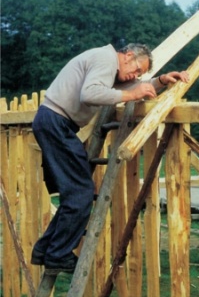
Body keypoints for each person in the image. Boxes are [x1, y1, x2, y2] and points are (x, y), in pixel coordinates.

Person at [31, 43, 189, 274]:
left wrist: (162, 81)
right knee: (81, 193)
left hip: (55, 122)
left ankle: (46, 250)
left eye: (140, 74)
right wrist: (132, 94)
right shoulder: (105, 60)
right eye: (137, 69)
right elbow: (91, 93)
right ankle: (57, 255)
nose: (136, 76)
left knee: (76, 193)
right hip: (56, 123)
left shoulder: (109, 64)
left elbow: (133, 86)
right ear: (128, 56)